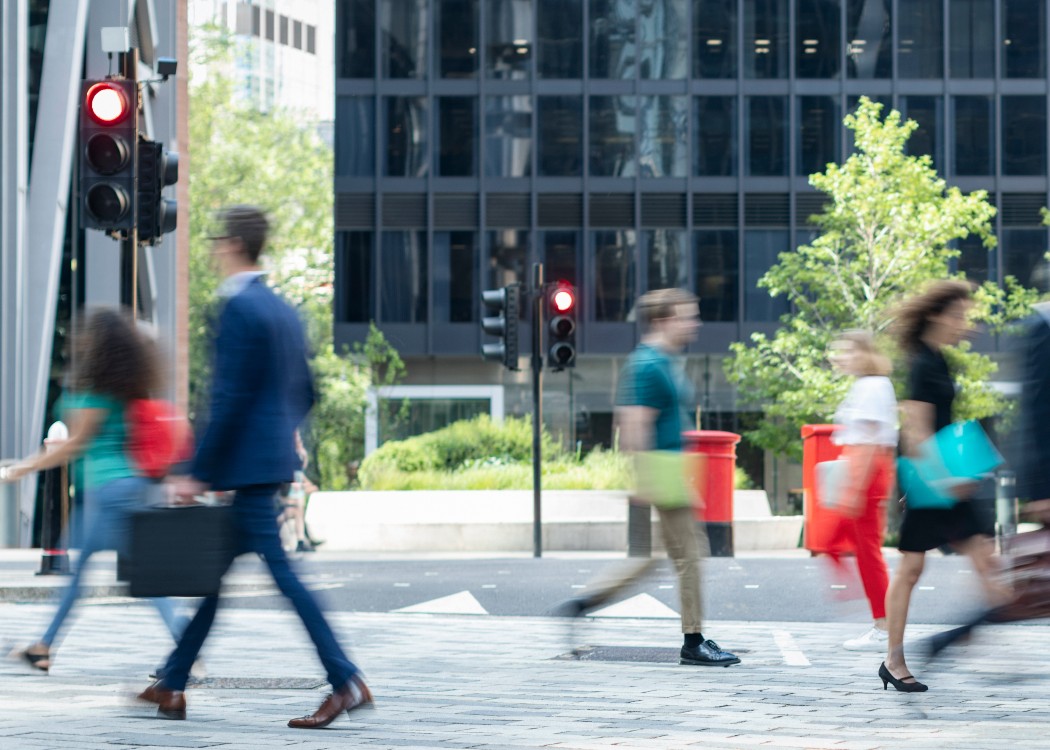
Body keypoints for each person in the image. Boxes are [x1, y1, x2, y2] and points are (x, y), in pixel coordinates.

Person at [137, 206, 370, 727]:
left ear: (234, 244)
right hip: (263, 464)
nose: (214, 248)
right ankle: (173, 683)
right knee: (215, 578)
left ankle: (344, 679)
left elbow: (230, 397)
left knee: (285, 579)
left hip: (245, 468)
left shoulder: (239, 308)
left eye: (219, 240)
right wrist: (278, 435)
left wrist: (197, 469)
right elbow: (306, 392)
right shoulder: (284, 309)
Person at [1, 309, 188, 672]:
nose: (78, 338)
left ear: (98, 343)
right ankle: (45, 645)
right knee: (123, 573)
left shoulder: (97, 390)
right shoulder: (120, 383)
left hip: (109, 492)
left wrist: (20, 469)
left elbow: (73, 445)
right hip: (124, 488)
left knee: (120, 575)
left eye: (86, 334)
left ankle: (186, 648)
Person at [565, 288, 740, 667]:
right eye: (686, 316)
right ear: (662, 320)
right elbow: (631, 420)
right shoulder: (646, 363)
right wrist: (643, 478)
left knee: (659, 559)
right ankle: (693, 642)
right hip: (660, 470)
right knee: (691, 557)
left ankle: (584, 603)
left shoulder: (663, 360)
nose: (695, 323)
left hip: (671, 469)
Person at [881, 280, 1008, 692]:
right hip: (937, 482)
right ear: (935, 315)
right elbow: (915, 430)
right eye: (957, 315)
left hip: (941, 481)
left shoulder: (937, 360)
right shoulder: (922, 363)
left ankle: (956, 644)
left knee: (982, 562)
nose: (964, 324)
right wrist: (939, 479)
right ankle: (899, 658)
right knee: (916, 568)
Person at [823, 331, 898, 651]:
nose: (840, 357)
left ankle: (883, 623)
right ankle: (866, 603)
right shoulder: (866, 385)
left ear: (866, 353)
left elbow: (869, 441)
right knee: (835, 543)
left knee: (866, 552)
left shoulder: (871, 386)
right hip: (863, 467)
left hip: (866, 469)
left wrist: (855, 488)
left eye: (848, 351)